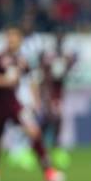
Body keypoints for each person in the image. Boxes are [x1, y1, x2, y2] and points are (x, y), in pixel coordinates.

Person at [0, 27, 65, 181]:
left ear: (20, 40)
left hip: (13, 103)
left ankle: (49, 172)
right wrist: (5, 80)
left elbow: (31, 79)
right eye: (9, 38)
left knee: (34, 131)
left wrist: (36, 100)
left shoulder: (22, 59)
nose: (12, 41)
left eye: (15, 38)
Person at [38, 31, 77, 166]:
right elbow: (46, 72)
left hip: (57, 93)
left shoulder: (64, 56)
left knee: (55, 119)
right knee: (51, 118)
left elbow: (65, 72)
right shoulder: (50, 56)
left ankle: (53, 147)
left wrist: (69, 62)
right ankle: (45, 146)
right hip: (48, 92)